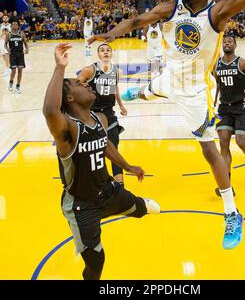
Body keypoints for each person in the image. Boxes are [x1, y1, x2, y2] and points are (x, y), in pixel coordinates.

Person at [88, 0, 245, 250]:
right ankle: (136, 92)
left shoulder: (218, 13)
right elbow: (137, 20)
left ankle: (231, 211)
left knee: (209, 149)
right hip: (170, 76)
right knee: (152, 88)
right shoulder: (171, 8)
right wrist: (111, 34)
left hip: (196, 91)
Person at [43, 43, 160, 280]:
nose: (85, 83)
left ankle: (135, 204)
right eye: (79, 84)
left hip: (108, 191)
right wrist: (59, 67)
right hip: (82, 205)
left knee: (140, 209)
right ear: (69, 97)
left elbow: (106, 145)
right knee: (97, 262)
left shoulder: (100, 118)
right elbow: (49, 110)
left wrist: (128, 166)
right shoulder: (67, 129)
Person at [213, 35, 245, 197]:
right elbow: (217, 86)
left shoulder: (243, 63)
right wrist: (212, 104)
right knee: (223, 143)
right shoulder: (216, 65)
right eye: (225, 42)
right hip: (225, 109)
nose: (227, 43)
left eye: (230, 42)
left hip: (241, 107)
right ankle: (227, 185)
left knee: (241, 141)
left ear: (235, 45)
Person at [77, 43, 127, 186]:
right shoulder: (90, 70)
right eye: (102, 50)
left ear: (111, 53)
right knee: (93, 151)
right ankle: (93, 183)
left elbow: (115, 88)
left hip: (109, 114)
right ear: (98, 54)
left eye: (108, 50)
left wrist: (121, 105)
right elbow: (75, 86)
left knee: (114, 151)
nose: (105, 52)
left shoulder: (116, 71)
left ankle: (120, 187)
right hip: (92, 116)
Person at [5, 20, 29, 93]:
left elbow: (25, 43)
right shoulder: (9, 34)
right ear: (11, 26)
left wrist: (27, 49)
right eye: (13, 24)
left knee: (20, 71)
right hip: (12, 54)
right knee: (14, 70)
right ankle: (11, 82)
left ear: (18, 26)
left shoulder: (21, 34)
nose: (14, 25)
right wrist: (7, 49)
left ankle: (18, 86)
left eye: (16, 24)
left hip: (20, 54)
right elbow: (5, 44)